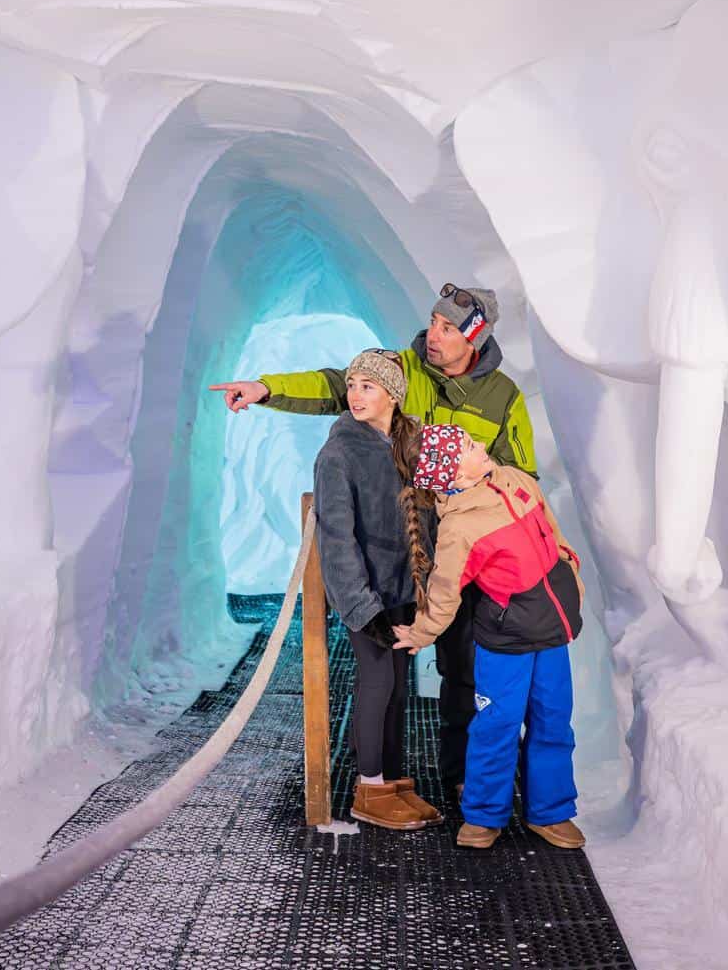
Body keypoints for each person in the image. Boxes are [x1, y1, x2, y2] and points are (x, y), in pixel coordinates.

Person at [211, 283, 536, 792]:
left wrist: (481, 488)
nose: (433, 335)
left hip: (467, 552)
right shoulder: (402, 371)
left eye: (448, 329)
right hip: (409, 555)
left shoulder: (504, 398)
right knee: (391, 672)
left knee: (465, 667)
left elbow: (521, 477)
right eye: (433, 321)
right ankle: (382, 781)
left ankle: (464, 778)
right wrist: (266, 388)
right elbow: (338, 386)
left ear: (475, 338)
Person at [394, 424, 585, 851]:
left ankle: (552, 811)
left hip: (552, 632)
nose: (479, 446)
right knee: (497, 725)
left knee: (553, 719)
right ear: (454, 474)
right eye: (467, 447)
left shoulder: (515, 480)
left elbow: (553, 533)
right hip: (505, 641)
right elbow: (444, 591)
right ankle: (483, 816)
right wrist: (422, 632)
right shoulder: (460, 528)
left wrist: (570, 570)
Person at [312, 350, 442, 831]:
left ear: (393, 393)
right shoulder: (338, 453)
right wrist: (362, 607)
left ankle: (392, 782)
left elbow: (426, 518)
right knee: (377, 683)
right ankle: (368, 787)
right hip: (367, 598)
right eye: (352, 384)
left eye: (369, 384)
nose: (356, 394)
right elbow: (336, 539)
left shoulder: (407, 443)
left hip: (404, 591)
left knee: (399, 687)